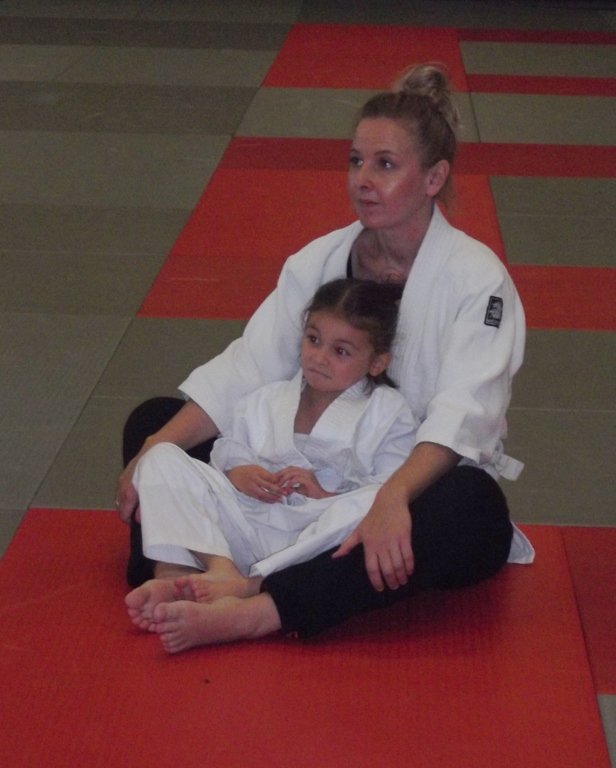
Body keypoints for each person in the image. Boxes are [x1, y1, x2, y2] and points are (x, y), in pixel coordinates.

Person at [116, 63, 534, 654]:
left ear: (434, 177)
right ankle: (184, 576)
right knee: (154, 424)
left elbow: (465, 415)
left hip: (397, 486)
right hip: (278, 482)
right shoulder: (318, 259)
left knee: (472, 507)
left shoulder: (476, 280)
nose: (363, 180)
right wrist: (155, 446)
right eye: (356, 161)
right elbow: (248, 369)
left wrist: (391, 499)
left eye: (385, 165)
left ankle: (259, 606)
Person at [125, 278, 418, 629]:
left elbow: (389, 486)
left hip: (313, 537)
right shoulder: (269, 398)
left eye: (341, 351)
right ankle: (199, 571)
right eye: (313, 340)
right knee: (160, 457)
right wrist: (239, 471)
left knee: (372, 503)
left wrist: (324, 494)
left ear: (377, 362)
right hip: (245, 521)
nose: (320, 358)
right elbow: (228, 447)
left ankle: (249, 586)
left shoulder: (390, 412)